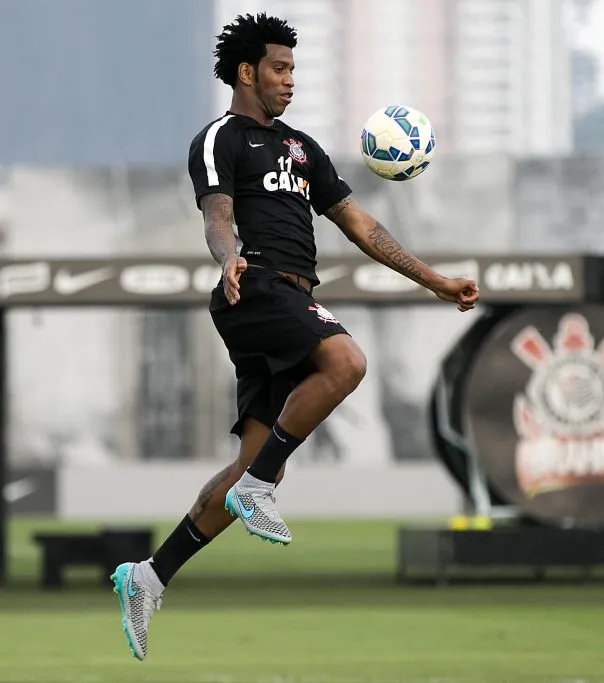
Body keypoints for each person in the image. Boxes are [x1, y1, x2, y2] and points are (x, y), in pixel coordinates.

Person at [110, 13, 478, 663]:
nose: (289, 82)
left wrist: (435, 280)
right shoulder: (220, 138)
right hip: (253, 288)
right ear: (247, 72)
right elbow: (217, 215)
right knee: (347, 360)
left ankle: (149, 574)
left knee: (240, 469)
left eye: (293, 70)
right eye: (280, 69)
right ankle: (262, 484)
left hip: (291, 298)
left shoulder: (303, 147)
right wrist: (226, 258)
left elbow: (361, 224)